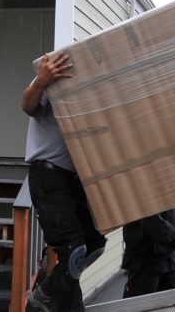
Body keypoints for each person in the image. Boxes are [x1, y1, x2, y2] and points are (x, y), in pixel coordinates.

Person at [23, 52, 107, 312]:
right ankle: (44, 296)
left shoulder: (88, 94)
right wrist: (41, 81)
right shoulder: (56, 81)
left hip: (72, 179)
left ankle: (51, 296)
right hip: (48, 174)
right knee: (74, 252)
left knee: (94, 244)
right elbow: (27, 106)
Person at [121, 209, 175, 298]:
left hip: (168, 258)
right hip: (145, 262)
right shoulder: (142, 197)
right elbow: (151, 220)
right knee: (140, 305)